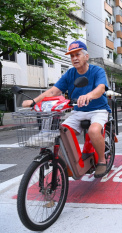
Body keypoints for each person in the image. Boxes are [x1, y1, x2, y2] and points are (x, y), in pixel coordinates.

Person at [22, 40, 111, 178]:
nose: (74, 58)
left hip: (98, 109)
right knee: (62, 132)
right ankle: (73, 162)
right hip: (78, 111)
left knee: (93, 131)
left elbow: (100, 89)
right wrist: (34, 101)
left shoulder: (97, 71)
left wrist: (88, 96)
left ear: (86, 56)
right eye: (72, 56)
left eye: (78, 54)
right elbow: (53, 92)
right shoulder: (70, 74)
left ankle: (101, 160)